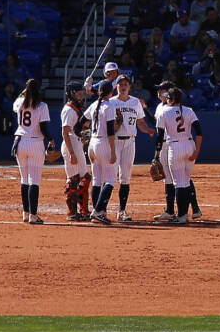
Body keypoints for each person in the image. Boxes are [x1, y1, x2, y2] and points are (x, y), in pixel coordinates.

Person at [87, 69, 145, 223]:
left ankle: (121, 211)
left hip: (130, 141)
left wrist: (150, 130)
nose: (123, 87)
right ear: (115, 87)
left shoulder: (135, 102)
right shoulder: (109, 102)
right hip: (112, 142)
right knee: (106, 178)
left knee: (125, 177)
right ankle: (100, 210)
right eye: (120, 84)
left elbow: (140, 121)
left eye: (125, 84)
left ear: (130, 86)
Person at [153, 81, 202, 223]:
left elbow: (160, 136)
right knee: (186, 181)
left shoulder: (164, 112)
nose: (166, 99)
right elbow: (199, 132)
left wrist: (156, 154)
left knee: (179, 183)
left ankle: (182, 216)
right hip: (189, 144)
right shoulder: (189, 110)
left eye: (168, 97)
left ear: (172, 99)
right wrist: (197, 151)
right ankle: (186, 213)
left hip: (174, 146)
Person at [8, 77, 50, 225]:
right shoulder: (42, 105)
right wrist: (51, 139)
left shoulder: (20, 102)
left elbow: (17, 102)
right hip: (36, 143)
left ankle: (26, 214)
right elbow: (44, 128)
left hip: (20, 141)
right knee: (34, 181)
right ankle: (33, 215)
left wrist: (24, 92)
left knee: (24, 180)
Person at [58, 79, 95, 222]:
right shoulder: (68, 109)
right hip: (70, 145)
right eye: (77, 93)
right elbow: (65, 133)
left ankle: (83, 210)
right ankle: (72, 212)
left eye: (81, 92)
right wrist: (72, 153)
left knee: (84, 178)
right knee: (73, 179)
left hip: (77, 143)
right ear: (71, 94)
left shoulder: (76, 108)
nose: (81, 95)